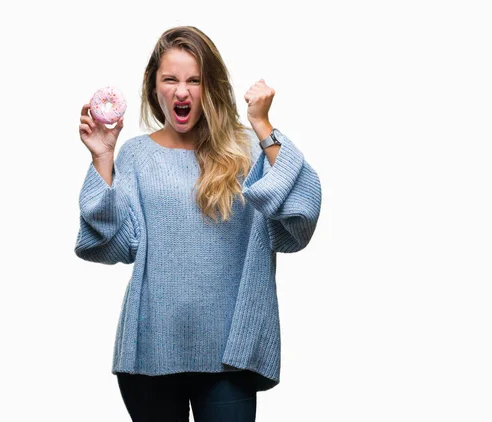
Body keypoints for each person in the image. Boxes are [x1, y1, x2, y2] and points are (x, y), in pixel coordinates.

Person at [75, 26, 322, 422]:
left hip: (230, 352)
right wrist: (103, 157)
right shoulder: (138, 156)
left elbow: (300, 215)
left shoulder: (244, 150)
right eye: (170, 79)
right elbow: (110, 245)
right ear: (154, 88)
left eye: (195, 80)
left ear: (211, 87)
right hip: (149, 352)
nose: (182, 91)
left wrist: (262, 125)